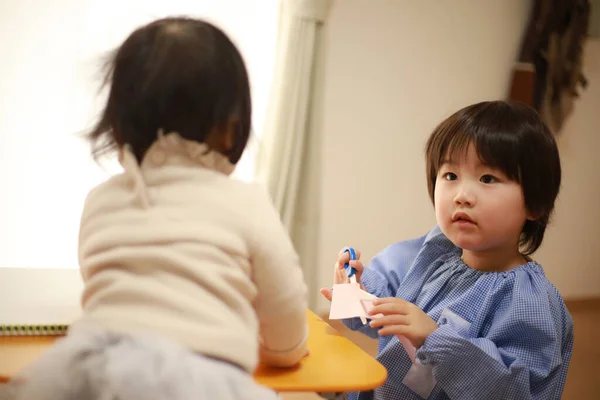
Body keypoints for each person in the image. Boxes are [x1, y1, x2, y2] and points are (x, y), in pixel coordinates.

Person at [6, 16, 308, 400]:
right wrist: (286, 351)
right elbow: (285, 309)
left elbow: (100, 281)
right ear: (232, 128)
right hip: (204, 380)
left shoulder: (101, 202)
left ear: (116, 128)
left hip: (91, 369)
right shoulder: (246, 203)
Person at [321, 101, 573, 400]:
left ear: (535, 205)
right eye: (451, 176)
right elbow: (385, 313)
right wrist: (354, 292)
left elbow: (514, 391)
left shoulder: (529, 301)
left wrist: (435, 338)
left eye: (488, 178)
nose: (462, 196)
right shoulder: (434, 252)